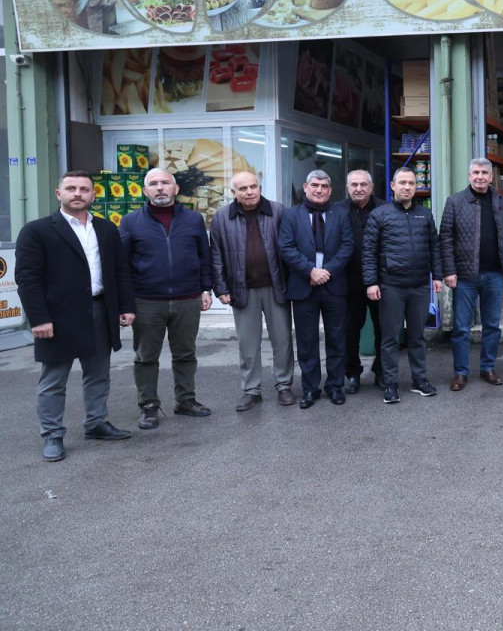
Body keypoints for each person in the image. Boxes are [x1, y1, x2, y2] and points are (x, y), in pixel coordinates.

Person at [16, 171, 135, 462]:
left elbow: (120, 272)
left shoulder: (106, 229)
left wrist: (126, 307)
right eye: (71, 188)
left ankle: (96, 423)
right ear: (59, 194)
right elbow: (28, 278)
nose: (78, 193)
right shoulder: (36, 231)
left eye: (84, 189)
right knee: (54, 380)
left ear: (93, 195)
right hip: (57, 317)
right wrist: (38, 319)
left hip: (99, 310)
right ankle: (52, 434)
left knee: (98, 374)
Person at [120, 168, 213, 430]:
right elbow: (122, 265)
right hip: (146, 301)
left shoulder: (193, 219)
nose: (159, 187)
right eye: (153, 183)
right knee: (146, 357)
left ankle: (186, 400)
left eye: (165, 183)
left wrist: (206, 289)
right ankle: (148, 405)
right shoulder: (131, 221)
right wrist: (125, 302)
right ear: (145, 190)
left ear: (176, 189)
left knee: (185, 354)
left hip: (187, 298)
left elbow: (204, 256)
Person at [210, 171, 295, 411]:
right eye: (243, 188)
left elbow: (290, 246)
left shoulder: (278, 211)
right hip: (242, 288)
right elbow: (216, 255)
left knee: (282, 340)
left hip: (276, 286)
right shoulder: (221, 218)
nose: (249, 192)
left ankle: (284, 385)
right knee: (248, 343)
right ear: (233, 193)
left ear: (259, 187)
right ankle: (251, 390)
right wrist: (221, 288)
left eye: (253, 187)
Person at [362, 167, 442, 404]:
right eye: (403, 183)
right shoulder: (379, 214)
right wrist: (371, 282)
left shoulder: (424, 215)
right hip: (391, 286)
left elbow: (434, 247)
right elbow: (369, 251)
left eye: (411, 183)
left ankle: (420, 380)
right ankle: (390, 384)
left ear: (416, 187)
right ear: (393, 186)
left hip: (419, 286)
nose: (407, 187)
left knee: (418, 337)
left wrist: (437, 276)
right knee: (390, 338)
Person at [278, 169, 355, 409]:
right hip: (304, 286)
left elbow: (347, 246)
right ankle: (310, 389)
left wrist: (326, 272)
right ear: (305, 187)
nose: (319, 190)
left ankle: (335, 386)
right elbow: (286, 247)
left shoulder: (341, 214)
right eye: (315, 185)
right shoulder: (291, 215)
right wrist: (310, 271)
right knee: (307, 341)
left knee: (337, 339)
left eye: (324, 186)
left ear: (330, 190)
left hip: (334, 286)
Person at [440, 158, 503, 391]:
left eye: (484, 173)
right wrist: (449, 270)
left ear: (491, 177)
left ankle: (488, 367)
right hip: (464, 275)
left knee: (492, 325)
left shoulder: (500, 201)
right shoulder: (455, 201)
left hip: (494, 273)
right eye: (476, 172)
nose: (480, 176)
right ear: (469, 176)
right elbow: (445, 237)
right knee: (461, 327)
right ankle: (461, 372)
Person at [338, 169, 384, 393]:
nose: (358, 188)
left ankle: (381, 372)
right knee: (349, 331)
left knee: (383, 329)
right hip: (349, 281)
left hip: (380, 281)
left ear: (371, 187)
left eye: (363, 184)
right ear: (347, 188)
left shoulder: (385, 209)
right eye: (354, 185)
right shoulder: (337, 211)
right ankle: (353, 373)